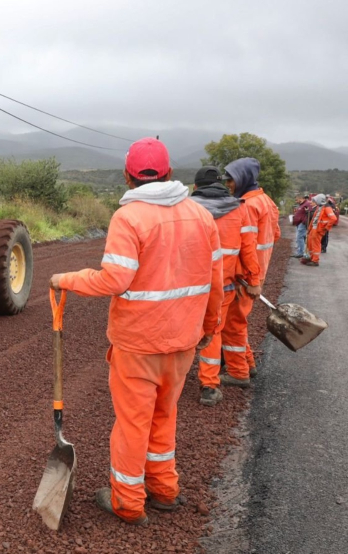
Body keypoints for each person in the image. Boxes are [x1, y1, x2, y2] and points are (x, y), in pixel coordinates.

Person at [49, 138, 223, 526]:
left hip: (138, 345)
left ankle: (127, 500)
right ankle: (164, 490)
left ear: (128, 176)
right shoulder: (201, 216)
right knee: (165, 415)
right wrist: (209, 328)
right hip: (183, 343)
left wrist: (66, 279)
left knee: (132, 424)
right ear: (169, 173)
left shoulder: (129, 218)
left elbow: (115, 278)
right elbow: (215, 280)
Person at [189, 166, 261, 407]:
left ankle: (165, 382)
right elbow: (248, 249)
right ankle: (209, 385)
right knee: (215, 330)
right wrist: (253, 280)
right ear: (222, 185)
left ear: (196, 187)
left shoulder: (186, 210)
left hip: (188, 287)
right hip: (224, 286)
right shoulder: (240, 209)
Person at [219, 158, 280, 383]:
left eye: (231, 179)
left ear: (243, 177)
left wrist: (251, 278)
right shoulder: (267, 202)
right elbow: (276, 235)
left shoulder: (246, 205)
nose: (228, 184)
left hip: (245, 276)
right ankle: (248, 364)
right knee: (238, 322)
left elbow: (245, 246)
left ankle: (238, 373)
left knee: (233, 325)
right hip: (256, 271)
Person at [302, 193, 337, 266]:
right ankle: (312, 258)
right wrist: (309, 228)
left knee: (315, 244)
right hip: (314, 229)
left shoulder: (327, 207)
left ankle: (315, 261)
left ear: (319, 200)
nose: (314, 201)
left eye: (315, 200)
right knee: (310, 243)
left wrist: (326, 228)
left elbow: (333, 219)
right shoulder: (320, 207)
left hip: (319, 229)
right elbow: (314, 219)